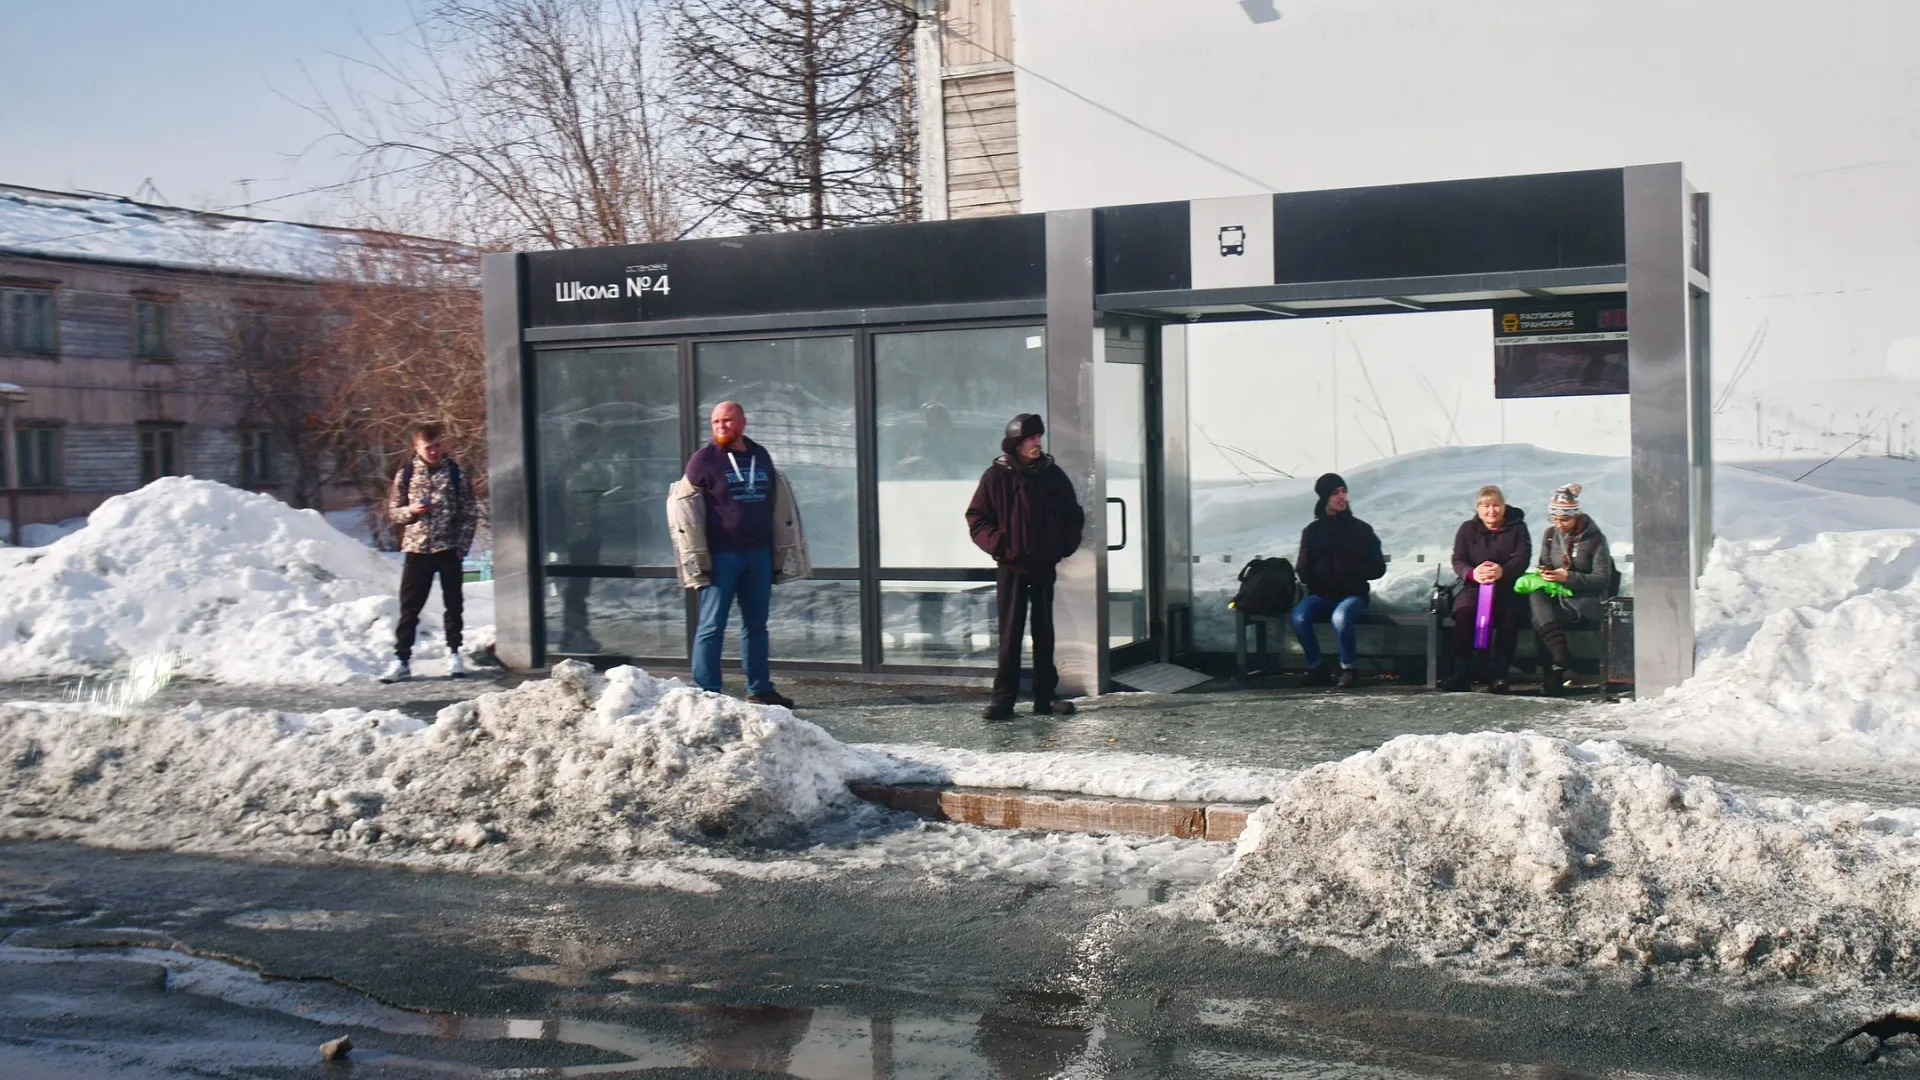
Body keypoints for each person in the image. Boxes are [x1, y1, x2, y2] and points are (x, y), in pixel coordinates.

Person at [671, 401, 806, 709]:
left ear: (742, 422)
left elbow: (776, 500)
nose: (721, 426)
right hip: (722, 557)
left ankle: (760, 688)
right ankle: (707, 693)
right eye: (716, 421)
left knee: (756, 625)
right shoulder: (703, 460)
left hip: (758, 553)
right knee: (711, 625)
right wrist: (694, 555)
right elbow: (683, 509)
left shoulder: (760, 455)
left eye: (727, 420)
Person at [965, 413, 1085, 720]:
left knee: (1044, 632)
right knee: (1010, 632)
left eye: (1039, 437)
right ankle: (1003, 699)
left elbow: (1073, 514)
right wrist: (1002, 545)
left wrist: (1061, 547)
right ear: (1017, 443)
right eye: (1031, 438)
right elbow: (977, 518)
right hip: (1011, 567)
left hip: (1044, 565)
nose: (1037, 443)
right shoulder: (996, 476)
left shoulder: (1052, 474)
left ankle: (1045, 697)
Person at [381, 423, 477, 682]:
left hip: (448, 549)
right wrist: (412, 510)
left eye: (437, 446)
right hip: (417, 549)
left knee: (453, 604)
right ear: (417, 447)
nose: (434, 452)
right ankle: (402, 659)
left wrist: (461, 547)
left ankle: (454, 653)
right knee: (409, 607)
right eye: (428, 447)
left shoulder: (456, 474)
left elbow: (469, 512)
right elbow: (394, 512)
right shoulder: (407, 474)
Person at [1290, 472, 1386, 689]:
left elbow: (1378, 567)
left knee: (1341, 618)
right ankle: (1317, 668)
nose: (1342, 497)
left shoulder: (1361, 529)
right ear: (1324, 498)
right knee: (1298, 616)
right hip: (1321, 594)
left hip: (1353, 594)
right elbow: (1303, 566)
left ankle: (1349, 669)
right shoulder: (1313, 531)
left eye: (1344, 491)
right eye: (1335, 493)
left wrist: (1351, 569)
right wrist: (1313, 575)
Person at [1531, 483, 1617, 695]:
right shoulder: (1550, 534)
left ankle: (1555, 671)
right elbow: (1544, 561)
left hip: (1586, 601)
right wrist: (1546, 572)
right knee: (1537, 601)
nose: (1559, 524)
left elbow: (1602, 579)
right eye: (1555, 519)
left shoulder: (1595, 540)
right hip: (1558, 595)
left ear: (1576, 516)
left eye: (1565, 519)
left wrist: (1569, 577)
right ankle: (1559, 660)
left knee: (1540, 619)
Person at [1445, 485, 1531, 693]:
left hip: (1507, 586)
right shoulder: (1467, 529)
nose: (1491, 511)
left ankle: (1499, 674)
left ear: (1503, 506)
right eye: (1486, 506)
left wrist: (1503, 571)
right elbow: (1458, 559)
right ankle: (1462, 671)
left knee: (1508, 616)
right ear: (1478, 508)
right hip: (1474, 585)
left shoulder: (1518, 528)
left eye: (1496, 505)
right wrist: (1472, 573)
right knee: (1465, 612)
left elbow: (1522, 558)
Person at [556, 420, 622, 654]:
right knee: (575, 588)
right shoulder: (570, 468)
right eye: (592, 440)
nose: (597, 445)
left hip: (586, 535)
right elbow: (574, 498)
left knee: (579, 587)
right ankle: (574, 633)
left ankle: (573, 632)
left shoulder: (589, 465)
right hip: (574, 537)